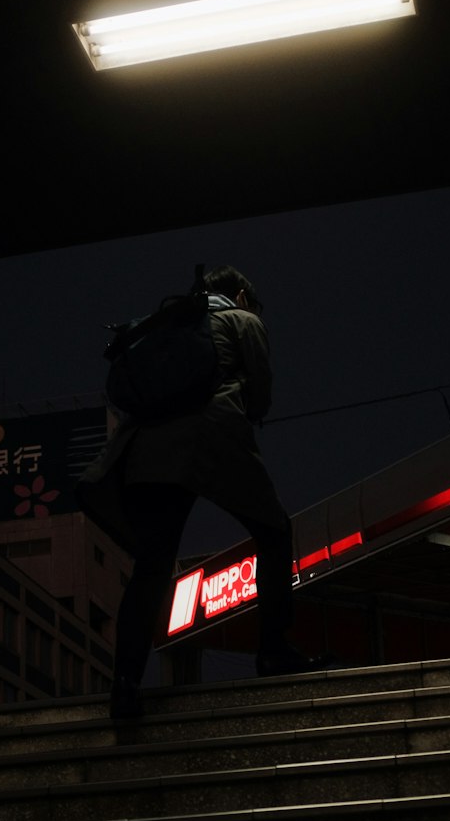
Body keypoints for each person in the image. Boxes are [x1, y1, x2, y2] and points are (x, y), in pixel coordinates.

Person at [76, 265, 322, 718]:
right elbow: (260, 396)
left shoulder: (164, 326)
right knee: (273, 532)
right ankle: (272, 651)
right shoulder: (243, 321)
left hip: (146, 451)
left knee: (151, 565)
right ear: (242, 295)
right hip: (215, 440)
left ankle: (125, 684)